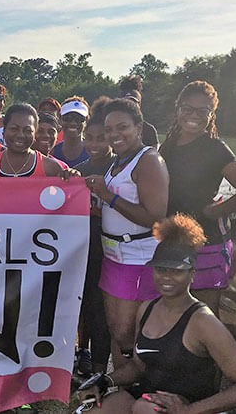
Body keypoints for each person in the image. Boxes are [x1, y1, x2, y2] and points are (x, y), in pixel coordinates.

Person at [77, 214, 236, 414]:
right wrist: (105, 380)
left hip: (186, 405)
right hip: (147, 395)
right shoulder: (147, 308)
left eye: (177, 271)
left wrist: (190, 410)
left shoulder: (203, 321)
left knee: (145, 409)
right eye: (161, 269)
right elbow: (139, 367)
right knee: (89, 411)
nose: (166, 276)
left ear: (192, 274)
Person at [159, 81, 236, 313]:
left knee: (203, 317)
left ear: (211, 114)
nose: (193, 115)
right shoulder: (169, 145)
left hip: (205, 245)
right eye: (187, 108)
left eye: (202, 110)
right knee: (173, 314)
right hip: (172, 241)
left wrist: (214, 211)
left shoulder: (215, 149)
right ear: (178, 109)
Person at [85, 98, 168, 370]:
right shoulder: (119, 161)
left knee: (127, 333)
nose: (114, 134)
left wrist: (107, 196)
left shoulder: (148, 160)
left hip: (137, 258)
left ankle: (138, 384)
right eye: (109, 129)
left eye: (122, 127)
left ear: (139, 127)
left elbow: (155, 216)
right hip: (114, 256)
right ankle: (122, 387)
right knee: (116, 331)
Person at [74, 97, 114, 376]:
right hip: (84, 249)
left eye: (102, 138)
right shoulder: (81, 171)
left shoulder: (121, 169)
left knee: (102, 312)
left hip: (112, 250)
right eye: (90, 138)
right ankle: (83, 352)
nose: (95, 144)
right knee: (83, 303)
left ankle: (102, 367)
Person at [0, 103, 71, 178]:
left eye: (27, 130)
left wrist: (74, 177)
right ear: (4, 131)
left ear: (34, 134)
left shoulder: (51, 168)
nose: (20, 135)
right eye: (14, 129)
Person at [118, 76, 159, 149]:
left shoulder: (149, 130)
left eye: (133, 103)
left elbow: (154, 154)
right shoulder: (113, 129)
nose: (129, 107)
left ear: (139, 105)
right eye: (126, 103)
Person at [52, 97, 90, 167]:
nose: (73, 123)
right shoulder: (52, 152)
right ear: (59, 119)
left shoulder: (93, 151)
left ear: (86, 121)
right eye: (67, 118)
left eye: (79, 119)